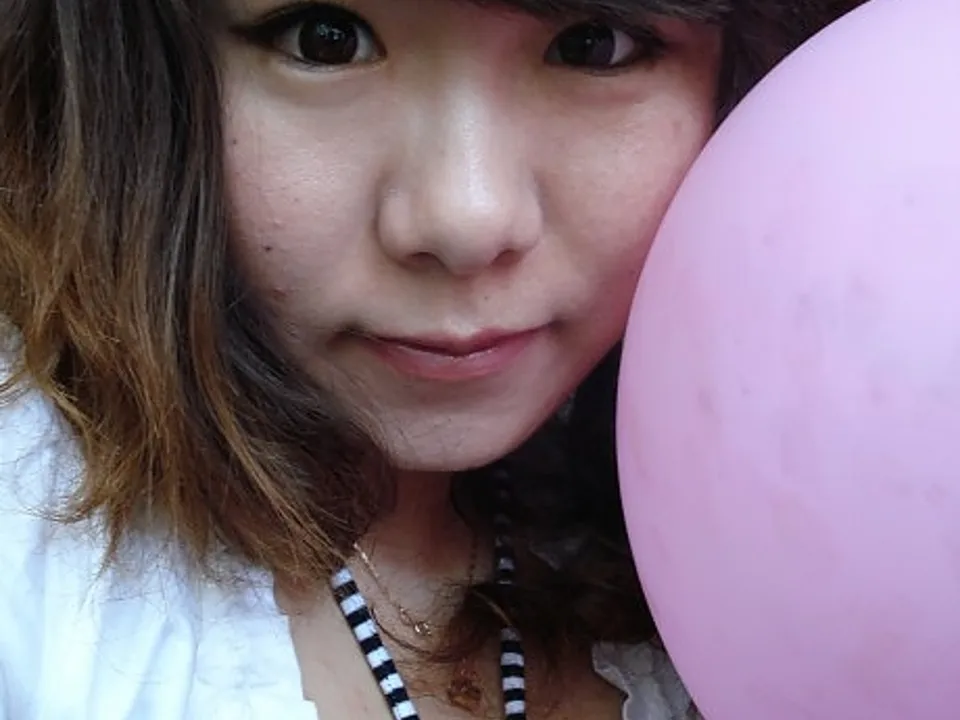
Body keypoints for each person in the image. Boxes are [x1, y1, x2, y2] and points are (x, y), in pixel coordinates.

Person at [0, 1, 862, 718]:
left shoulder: (826, 526)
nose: (464, 220)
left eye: (592, 44)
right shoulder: (34, 575)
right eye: (325, 39)